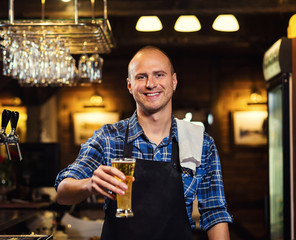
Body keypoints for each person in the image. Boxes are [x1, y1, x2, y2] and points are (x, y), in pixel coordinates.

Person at [55, 46, 233, 239]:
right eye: (141, 77)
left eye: (159, 75)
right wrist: (90, 184)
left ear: (173, 81)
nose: (150, 84)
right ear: (129, 85)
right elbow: (63, 192)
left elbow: (215, 213)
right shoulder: (107, 138)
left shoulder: (201, 143)